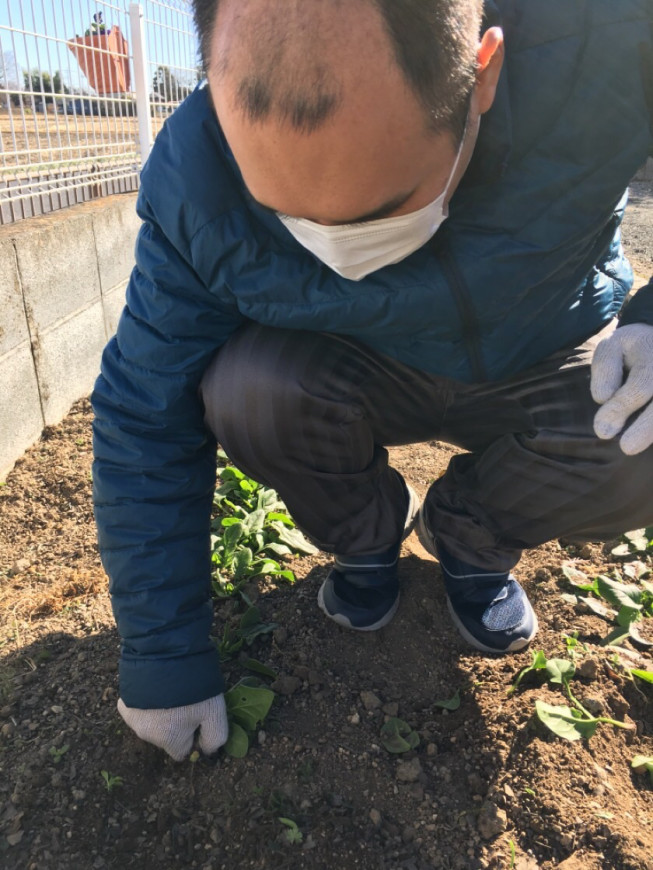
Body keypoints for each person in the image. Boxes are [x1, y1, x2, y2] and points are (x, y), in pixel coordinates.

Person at [92, 0, 653, 761]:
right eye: (288, 216)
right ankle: (364, 543)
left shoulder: (604, 38)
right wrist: (162, 658)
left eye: (382, 210)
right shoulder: (198, 173)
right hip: (353, 368)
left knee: (642, 428)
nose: (338, 250)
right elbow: (143, 412)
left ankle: (470, 534)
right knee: (247, 388)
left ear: (480, 75)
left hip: (542, 347)